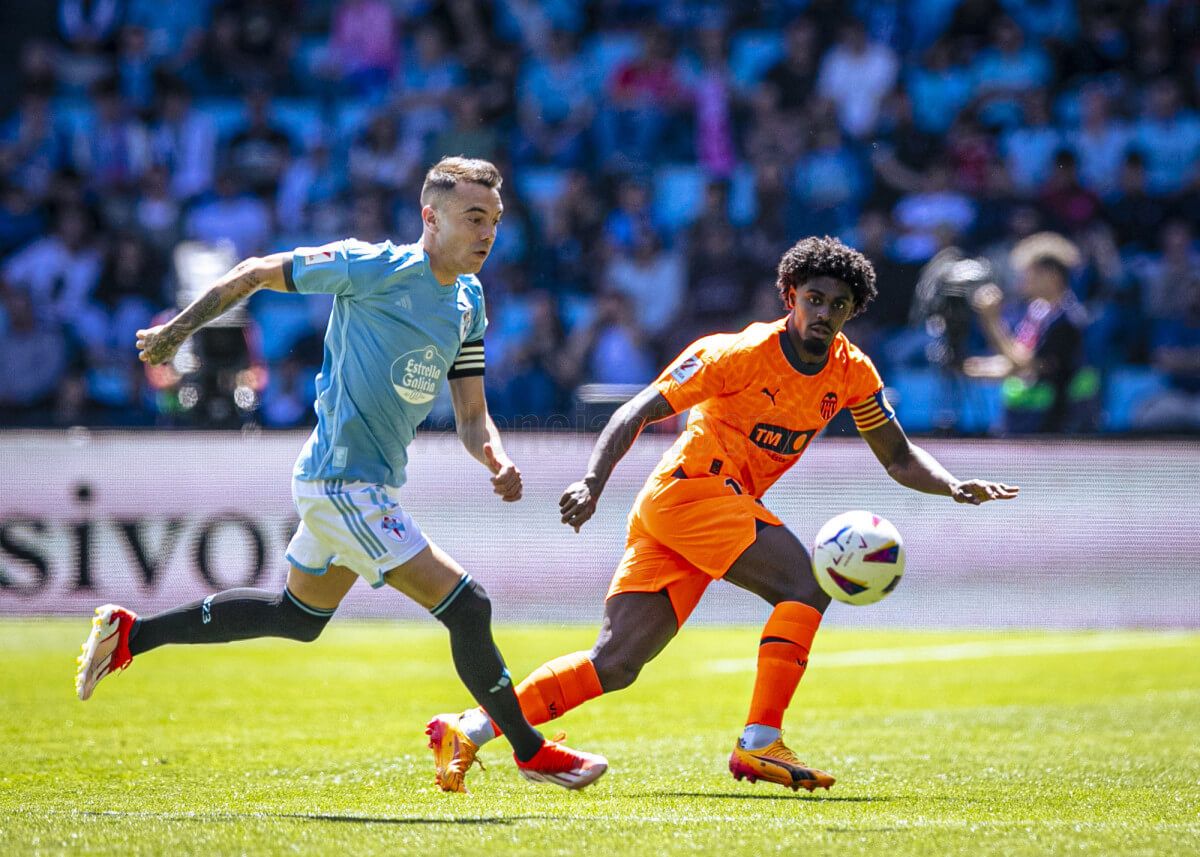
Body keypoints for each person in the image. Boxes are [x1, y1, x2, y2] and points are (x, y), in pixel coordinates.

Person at [74, 157, 608, 792]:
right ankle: (529, 751)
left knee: (297, 617)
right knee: (471, 607)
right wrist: (175, 334)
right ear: (430, 218)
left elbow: (472, 416)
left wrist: (495, 455)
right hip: (339, 482)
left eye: (493, 220)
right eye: (473, 218)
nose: (487, 233)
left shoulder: (469, 300)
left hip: (365, 484)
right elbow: (254, 272)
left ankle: (132, 634)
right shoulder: (374, 267)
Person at [427, 236, 1018, 793]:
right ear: (790, 297)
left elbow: (898, 456)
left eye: (838, 305)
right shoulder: (733, 354)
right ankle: (760, 741)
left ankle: (469, 729)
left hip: (695, 510)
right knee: (807, 586)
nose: (823, 313)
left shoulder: (852, 372)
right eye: (813, 299)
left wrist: (952, 485)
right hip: (690, 494)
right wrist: (591, 481)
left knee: (616, 663)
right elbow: (634, 411)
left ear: (851, 312)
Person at [963, 232, 1094, 433]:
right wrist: (977, 368)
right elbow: (1016, 359)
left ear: (1051, 276)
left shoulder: (1068, 321)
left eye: (1029, 273)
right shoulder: (1037, 312)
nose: (1023, 280)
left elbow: (1025, 364)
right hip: (1025, 420)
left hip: (1055, 426)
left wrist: (991, 321)